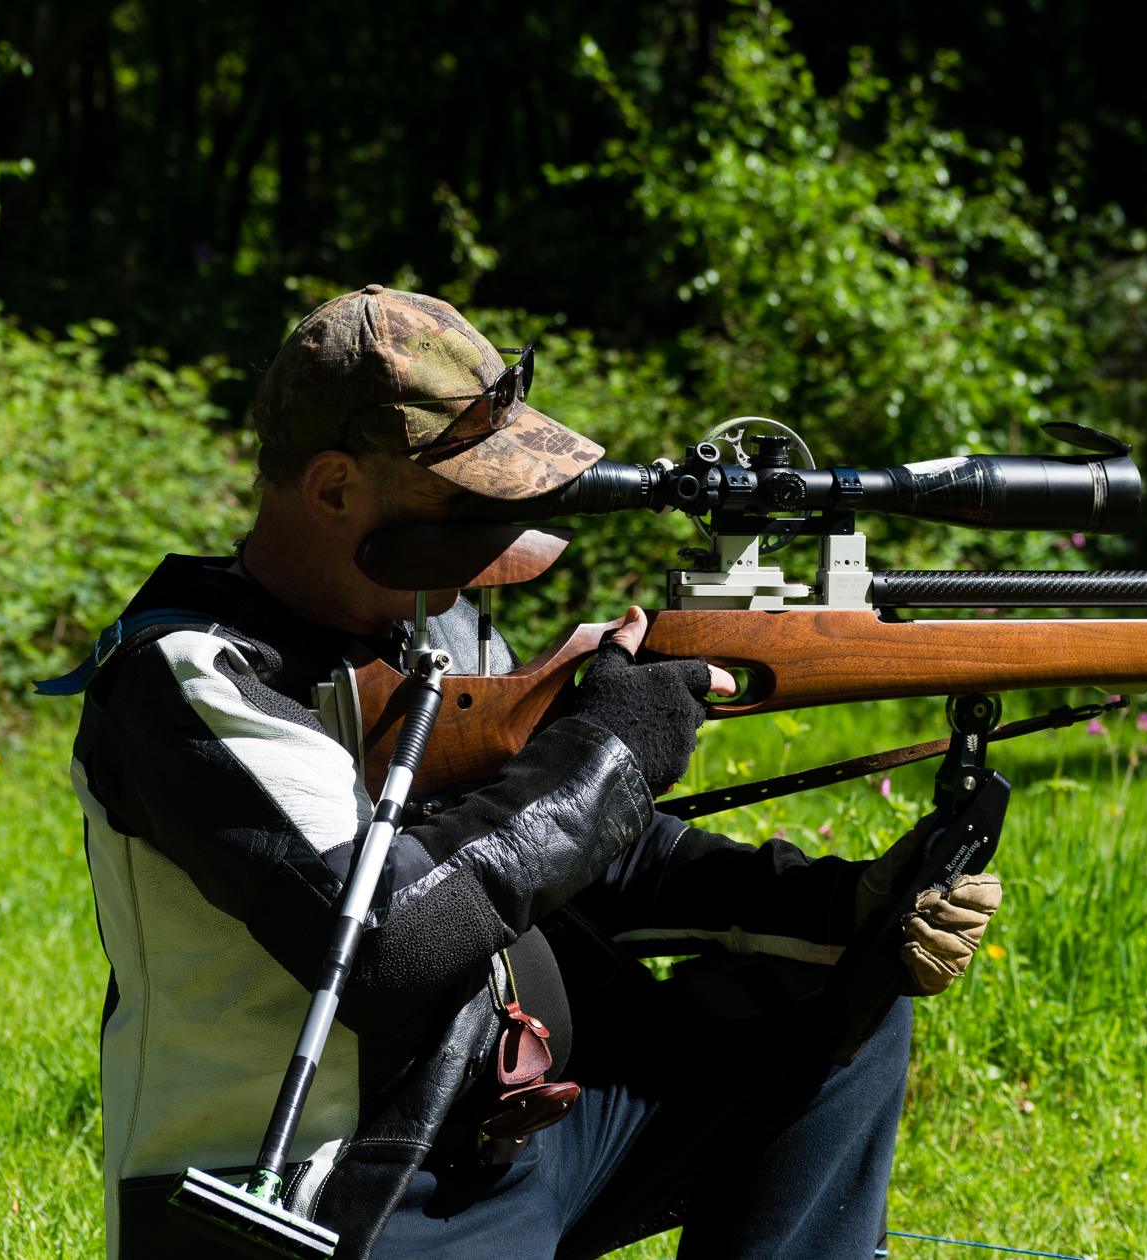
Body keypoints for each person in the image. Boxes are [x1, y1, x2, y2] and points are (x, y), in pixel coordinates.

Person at [58, 284, 1003, 1260]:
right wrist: (610, 751)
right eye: (463, 495)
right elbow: (377, 941)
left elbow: (570, 849)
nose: (492, 532)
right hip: (325, 1198)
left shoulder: (436, 627)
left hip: (511, 1140)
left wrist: (843, 905)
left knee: (844, 1010)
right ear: (335, 490)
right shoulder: (190, 678)